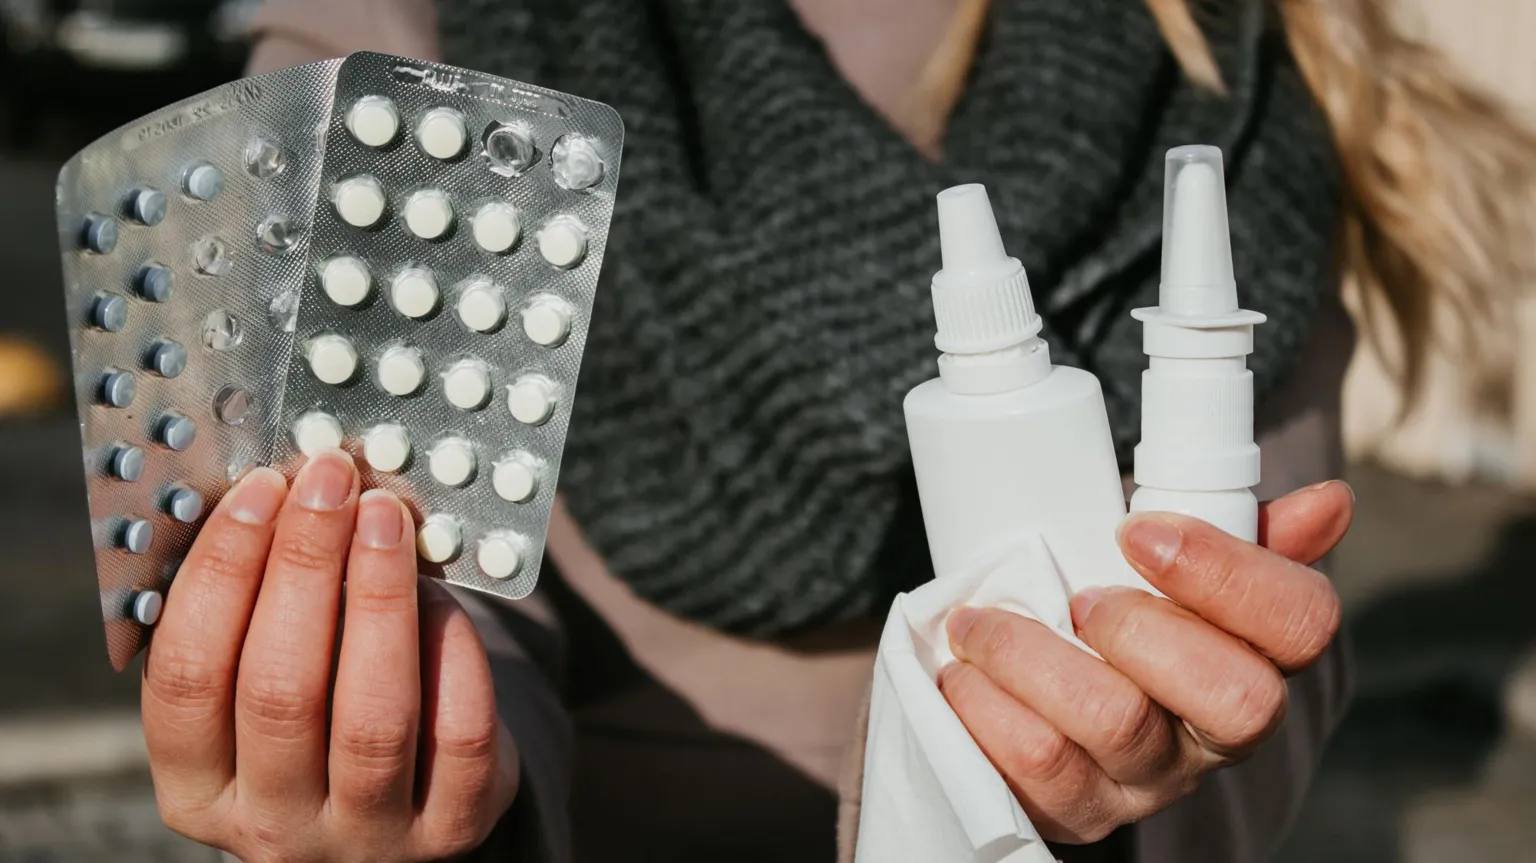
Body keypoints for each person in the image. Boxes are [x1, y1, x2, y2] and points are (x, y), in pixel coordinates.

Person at [138, 1, 1536, 861]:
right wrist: (392, 745)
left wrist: (1124, 758)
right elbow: (427, 552)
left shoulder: (1242, 58)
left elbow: (1252, 575)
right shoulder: (420, 28)